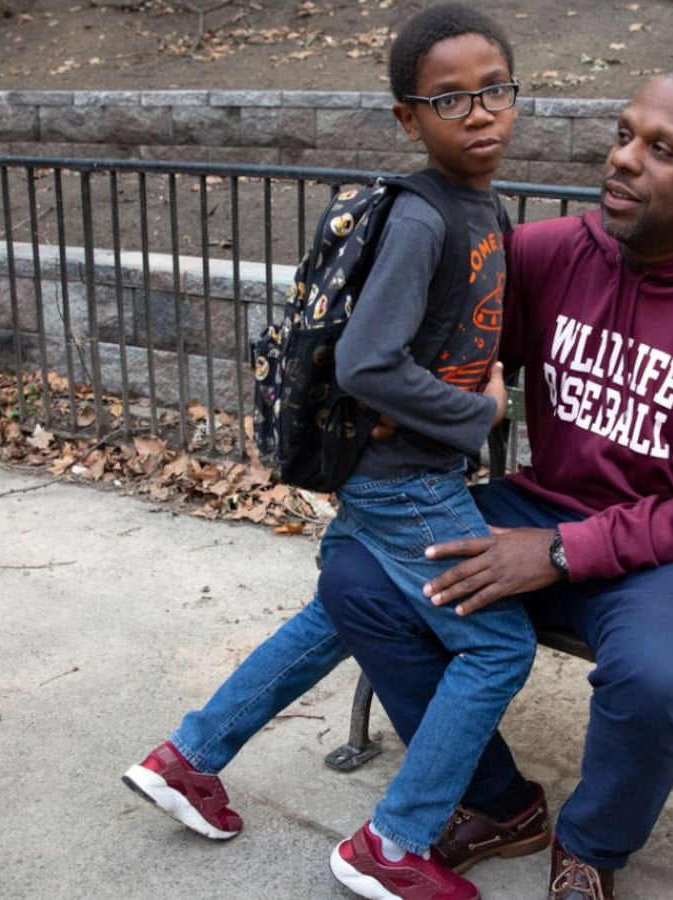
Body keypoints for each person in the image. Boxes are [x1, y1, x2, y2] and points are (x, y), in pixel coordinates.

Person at [320, 69, 673, 900]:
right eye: (624, 135)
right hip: (547, 505)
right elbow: (459, 353)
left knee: (656, 676)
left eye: (662, 150)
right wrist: (395, 408)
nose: (624, 161)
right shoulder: (552, 254)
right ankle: (498, 803)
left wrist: (563, 552)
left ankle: (590, 846)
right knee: (361, 575)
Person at [124, 7, 540, 900]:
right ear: (408, 118)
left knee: (331, 616)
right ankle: (397, 840)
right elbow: (366, 363)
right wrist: (477, 411)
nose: (479, 113)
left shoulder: (481, 205)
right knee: (499, 648)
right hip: (411, 482)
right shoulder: (427, 218)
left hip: (393, 477)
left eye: (495, 89)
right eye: (450, 98)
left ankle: (190, 756)